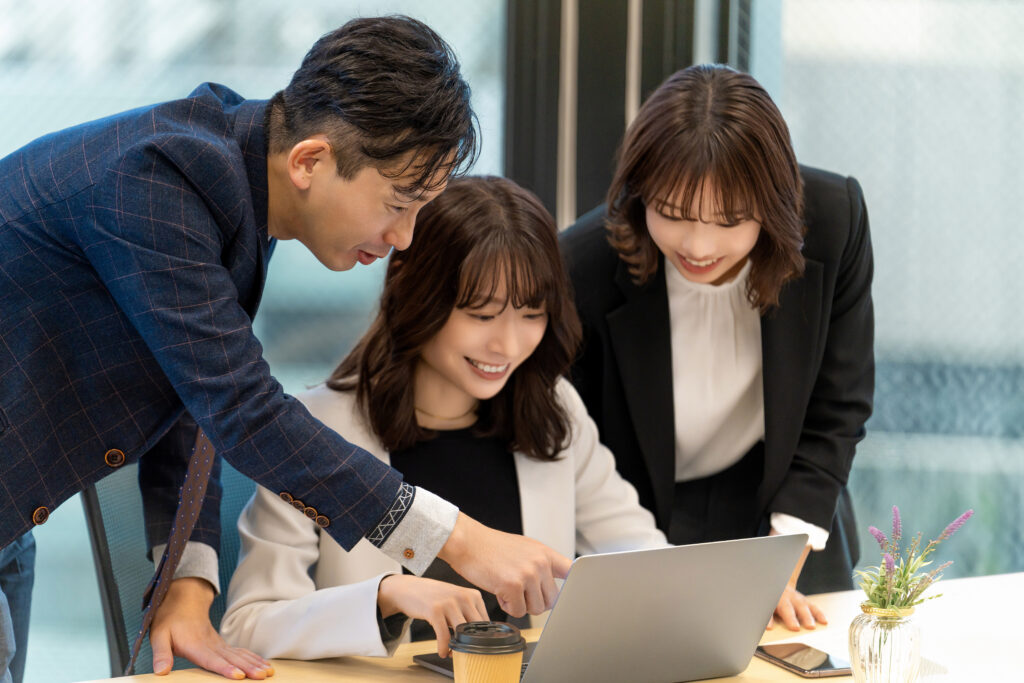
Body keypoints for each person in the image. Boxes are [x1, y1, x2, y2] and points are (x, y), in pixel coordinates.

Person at [0, 17, 571, 682]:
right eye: (397, 204)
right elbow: (245, 412)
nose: (407, 238)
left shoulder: (227, 185)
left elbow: (193, 390)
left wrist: (188, 580)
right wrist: (460, 540)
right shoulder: (155, 185)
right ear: (309, 161)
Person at [219, 175, 667, 660]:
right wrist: (386, 597)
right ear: (420, 299)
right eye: (481, 314)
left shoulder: (553, 408)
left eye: (531, 313)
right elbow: (247, 627)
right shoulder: (316, 427)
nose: (508, 345)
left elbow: (645, 561)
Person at [560, 64, 874, 631]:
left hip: (789, 494)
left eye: (729, 220)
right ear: (639, 193)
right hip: (641, 506)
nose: (697, 246)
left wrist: (787, 549)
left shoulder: (834, 220)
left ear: (775, 204)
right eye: (673, 215)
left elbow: (839, 405)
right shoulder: (583, 266)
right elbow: (572, 446)